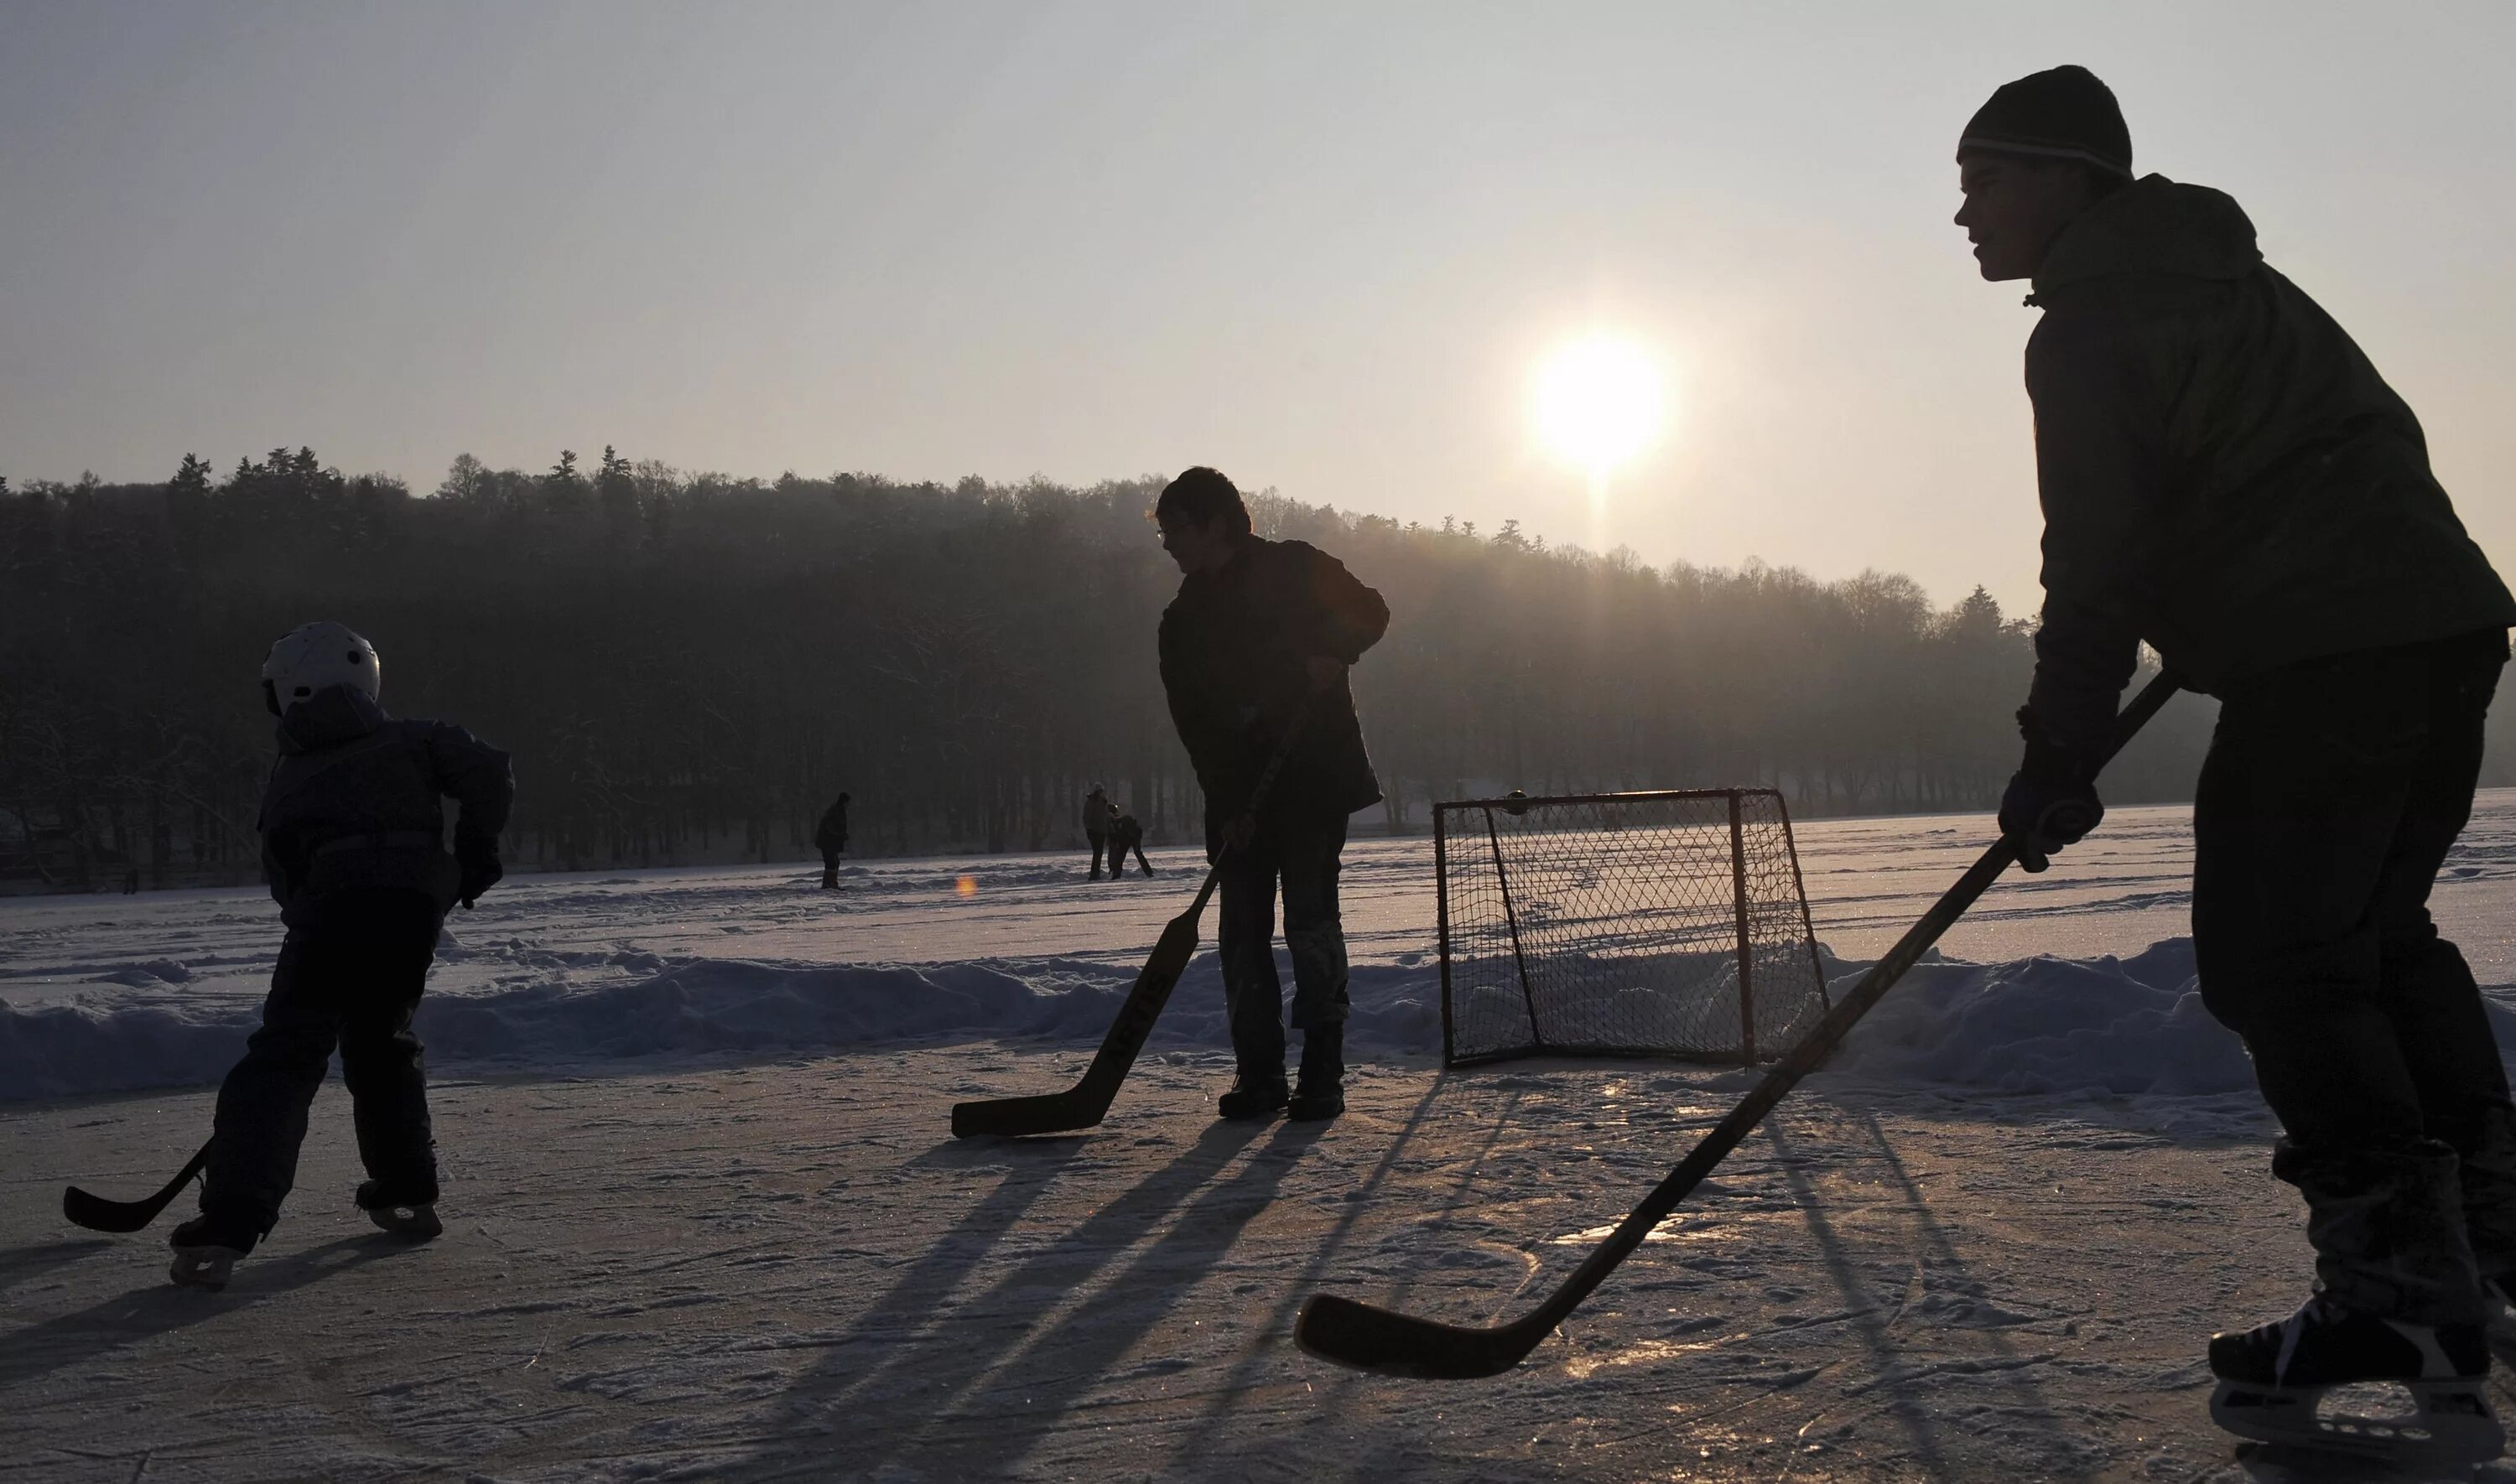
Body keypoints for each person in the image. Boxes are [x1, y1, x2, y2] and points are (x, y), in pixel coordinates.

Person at [1956, 66, 2516, 1456]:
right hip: (2442, 630)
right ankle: (2491, 1243)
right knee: (2375, 943)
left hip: (2332, 654)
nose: (1962, 213)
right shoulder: (2224, 277)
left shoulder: (2092, 323)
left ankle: (2400, 1288)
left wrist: (2058, 750)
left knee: (2280, 959)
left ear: (2070, 182)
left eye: (1988, 180)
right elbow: (2336, 458)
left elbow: (2093, 561)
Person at [170, 622, 513, 1290]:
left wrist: (312, 923)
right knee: (381, 1040)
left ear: (299, 689)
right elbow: (489, 770)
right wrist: (475, 854)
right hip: (412, 913)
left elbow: (284, 875)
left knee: (286, 1056)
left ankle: (231, 1221)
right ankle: (405, 1186)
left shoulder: (292, 773)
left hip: (332, 915)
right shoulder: (417, 736)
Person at [1155, 467, 1388, 1122]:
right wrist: (1228, 806)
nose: (1168, 543)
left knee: (1311, 923)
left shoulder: (1297, 567)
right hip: (1240, 801)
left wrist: (1333, 649)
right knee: (1241, 934)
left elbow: (1371, 610)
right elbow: (1196, 726)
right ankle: (1258, 1076)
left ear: (1216, 524)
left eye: (1176, 529)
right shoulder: (1182, 621)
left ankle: (1322, 1073)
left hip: (1313, 781)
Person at [816, 792, 851, 890]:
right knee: (831, 862)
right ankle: (828, 884)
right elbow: (830, 827)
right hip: (828, 841)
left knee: (834, 862)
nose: (848, 805)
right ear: (844, 802)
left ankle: (831, 883)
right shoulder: (836, 811)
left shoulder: (837, 810)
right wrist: (840, 834)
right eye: (847, 803)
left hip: (830, 841)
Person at [1107, 806, 1153, 878]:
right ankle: (1149, 872)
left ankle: (1116, 874)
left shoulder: (1114, 821)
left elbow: (1115, 835)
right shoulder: (1119, 820)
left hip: (1128, 836)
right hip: (1130, 835)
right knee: (1135, 853)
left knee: (1121, 855)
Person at [1083, 782, 1111, 879]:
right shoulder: (1090, 803)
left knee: (1099, 852)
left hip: (1102, 831)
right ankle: (1094, 874)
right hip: (1095, 831)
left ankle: (1095, 873)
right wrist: (1089, 829)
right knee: (1097, 852)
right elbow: (1087, 817)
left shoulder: (1103, 802)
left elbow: (1106, 816)